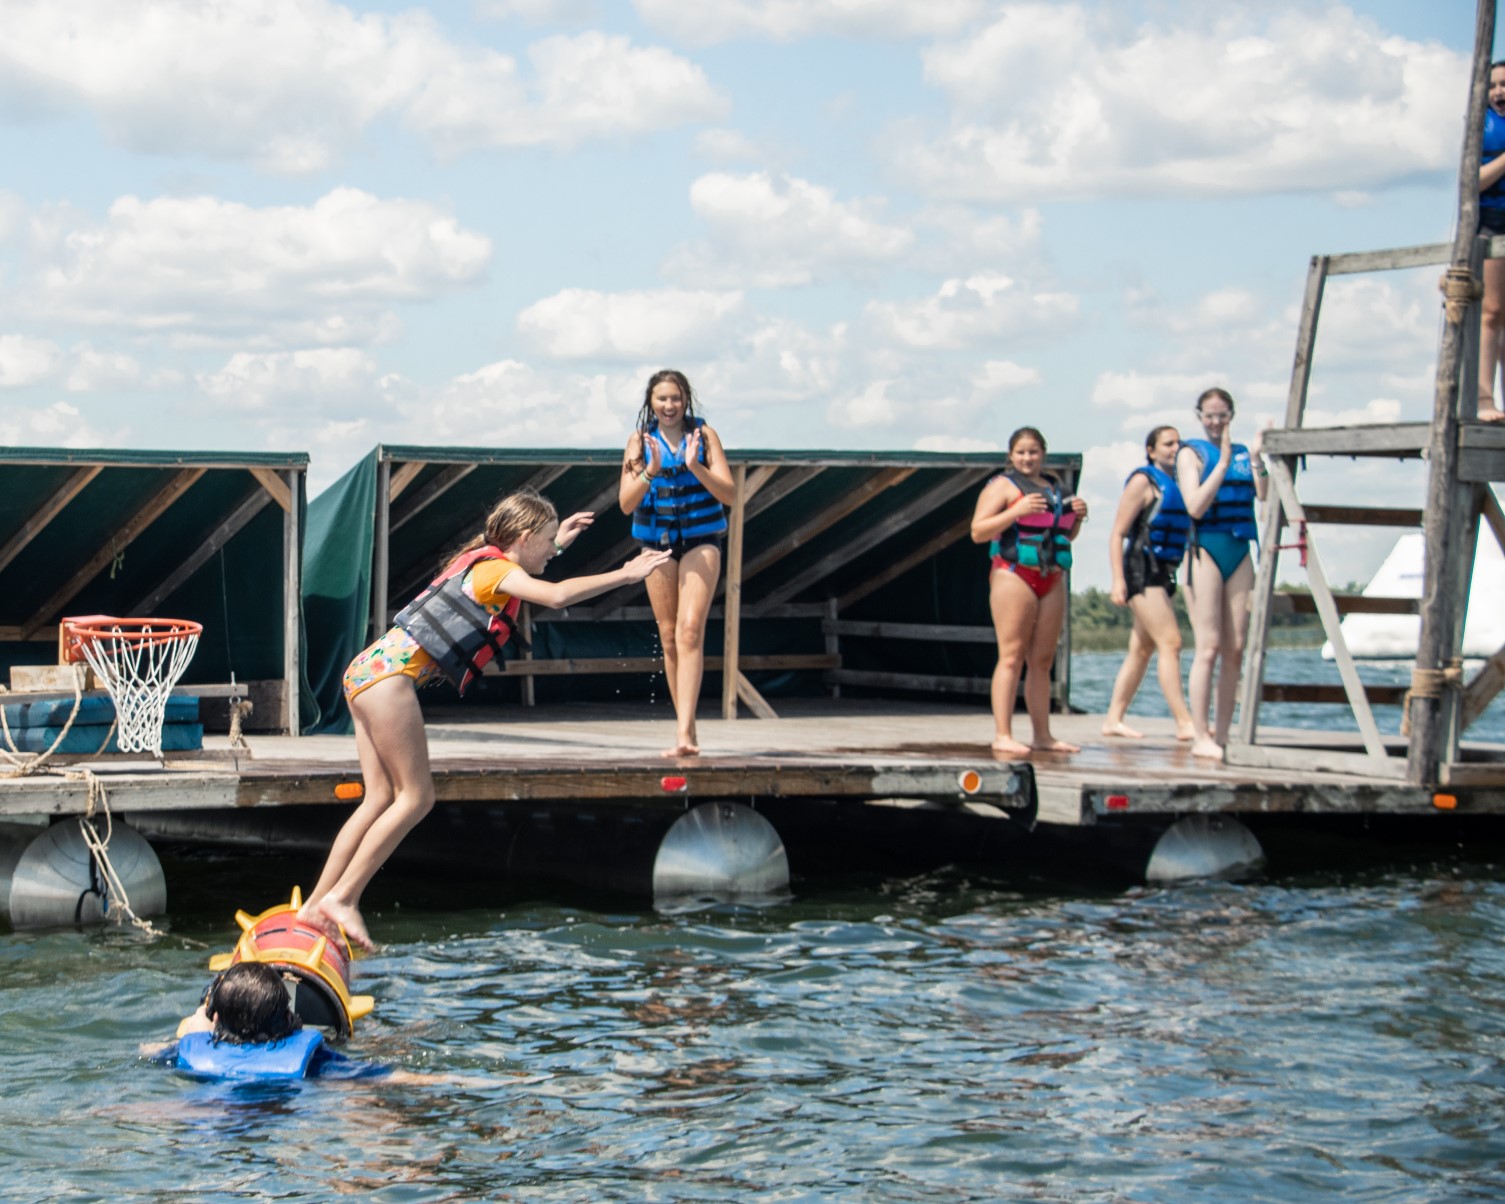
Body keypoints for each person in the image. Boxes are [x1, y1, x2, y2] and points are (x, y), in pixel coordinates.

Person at [298, 487, 672, 951]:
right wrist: (625, 573)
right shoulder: (499, 570)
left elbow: (535, 561)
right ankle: (343, 899)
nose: (552, 552)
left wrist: (558, 543)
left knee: (378, 798)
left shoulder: (485, 559)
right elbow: (554, 595)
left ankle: (313, 907)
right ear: (523, 535)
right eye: (548, 540)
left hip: (364, 670)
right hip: (389, 680)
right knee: (417, 797)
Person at [619, 369, 735, 758]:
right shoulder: (639, 441)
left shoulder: (705, 437)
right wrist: (651, 470)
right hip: (657, 544)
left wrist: (695, 466)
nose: (669, 406)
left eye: (676, 399)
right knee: (668, 635)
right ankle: (686, 728)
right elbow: (626, 504)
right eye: (662, 399)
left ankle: (685, 734)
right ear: (651, 403)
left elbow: (730, 494)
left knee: (689, 631)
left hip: (701, 541)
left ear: (686, 401)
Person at [971, 426, 1089, 757]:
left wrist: (1078, 517)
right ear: (1011, 455)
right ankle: (1003, 733)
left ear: (1043, 454)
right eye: (1021, 452)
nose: (1027, 458)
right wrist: (1016, 511)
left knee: (1043, 658)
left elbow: (1065, 534)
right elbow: (978, 531)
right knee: (1011, 655)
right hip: (1013, 574)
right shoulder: (1002, 487)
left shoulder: (1055, 488)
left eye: (1033, 452)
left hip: (1050, 574)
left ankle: (1043, 735)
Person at [1176, 388, 1268, 761]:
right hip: (1206, 551)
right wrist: (1223, 461)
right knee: (1209, 646)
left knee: (1235, 647)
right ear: (1199, 415)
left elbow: (1263, 496)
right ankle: (1201, 733)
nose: (1216, 422)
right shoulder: (1191, 453)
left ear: (1232, 415)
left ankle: (1224, 733)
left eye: (1223, 416)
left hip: (1239, 548)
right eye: (1210, 416)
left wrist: (1258, 457)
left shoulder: (1245, 453)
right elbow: (1195, 506)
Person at [1102, 426, 1197, 741]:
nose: (1175, 448)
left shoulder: (1182, 483)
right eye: (1168, 443)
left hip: (1164, 572)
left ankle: (1113, 719)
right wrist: (1118, 581)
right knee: (1171, 642)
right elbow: (1118, 533)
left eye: (1178, 443)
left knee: (1142, 649)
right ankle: (1185, 722)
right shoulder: (1144, 481)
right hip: (1141, 571)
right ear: (1152, 450)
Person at [149, 962, 388, 1081]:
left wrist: (196, 1030)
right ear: (287, 1018)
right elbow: (378, 1077)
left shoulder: (192, 1051)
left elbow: (147, 1051)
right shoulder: (315, 1061)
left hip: (212, 1119)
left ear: (217, 1018)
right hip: (280, 1115)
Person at [1477, 59, 1505, 423]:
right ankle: (1484, 399)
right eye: (1494, 85)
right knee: (1492, 312)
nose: (1501, 92)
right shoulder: (1480, 128)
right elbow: (1473, 182)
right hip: (1490, 223)